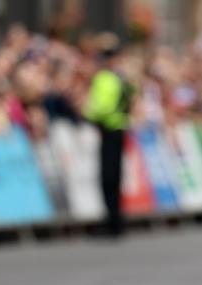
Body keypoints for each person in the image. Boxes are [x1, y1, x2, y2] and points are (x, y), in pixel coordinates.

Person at [84, 34, 133, 238]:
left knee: (108, 178)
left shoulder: (104, 78)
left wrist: (87, 113)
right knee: (116, 177)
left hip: (108, 129)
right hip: (120, 128)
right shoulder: (121, 79)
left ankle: (112, 221)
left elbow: (101, 107)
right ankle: (116, 220)